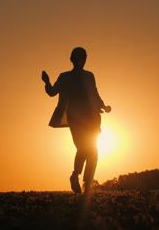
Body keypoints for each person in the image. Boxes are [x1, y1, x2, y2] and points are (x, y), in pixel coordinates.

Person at [42, 47, 111, 194]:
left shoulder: (89, 76)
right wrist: (47, 82)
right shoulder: (65, 76)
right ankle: (75, 175)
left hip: (92, 117)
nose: (81, 60)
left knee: (94, 151)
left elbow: (95, 94)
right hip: (75, 118)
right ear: (72, 59)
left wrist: (103, 106)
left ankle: (87, 183)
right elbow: (52, 92)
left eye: (83, 57)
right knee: (83, 148)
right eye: (78, 57)